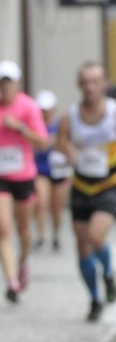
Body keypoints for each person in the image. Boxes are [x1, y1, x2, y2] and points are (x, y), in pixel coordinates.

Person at [0, 61, 48, 303]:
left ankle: (23, 262)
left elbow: (42, 142)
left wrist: (19, 127)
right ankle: (12, 281)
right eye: (2, 82)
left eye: (10, 82)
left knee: (23, 230)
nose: (6, 86)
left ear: (17, 83)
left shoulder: (29, 107)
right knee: (4, 229)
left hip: (23, 176)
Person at [55, 62, 116, 321]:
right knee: (82, 246)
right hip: (81, 187)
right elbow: (60, 143)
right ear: (79, 85)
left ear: (103, 84)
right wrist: (67, 151)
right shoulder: (71, 115)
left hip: (108, 186)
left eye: (95, 81)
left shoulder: (113, 112)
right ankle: (94, 298)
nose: (90, 87)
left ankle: (110, 272)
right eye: (85, 82)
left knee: (94, 236)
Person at [32, 89, 71, 252]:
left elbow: (70, 146)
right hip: (41, 170)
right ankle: (41, 236)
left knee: (56, 206)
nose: (45, 113)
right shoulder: (33, 125)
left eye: (48, 110)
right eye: (42, 110)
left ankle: (56, 235)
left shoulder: (61, 124)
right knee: (41, 202)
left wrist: (59, 144)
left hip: (60, 171)